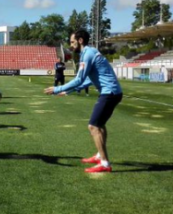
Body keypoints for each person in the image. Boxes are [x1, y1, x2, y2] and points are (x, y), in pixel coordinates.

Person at [44, 29, 123, 173]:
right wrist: (68, 91)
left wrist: (57, 89)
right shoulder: (88, 53)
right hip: (111, 92)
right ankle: (100, 156)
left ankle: (105, 164)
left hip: (110, 93)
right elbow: (87, 80)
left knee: (93, 126)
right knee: (100, 125)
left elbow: (79, 79)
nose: (71, 45)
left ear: (80, 41)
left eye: (72, 42)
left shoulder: (88, 54)